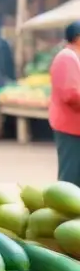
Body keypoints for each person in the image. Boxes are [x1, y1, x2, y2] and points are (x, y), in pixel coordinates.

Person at [50, 22, 80, 183]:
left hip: (75, 127)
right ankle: (64, 208)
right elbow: (71, 95)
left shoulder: (74, 56)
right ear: (77, 38)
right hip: (70, 128)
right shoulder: (67, 57)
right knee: (71, 176)